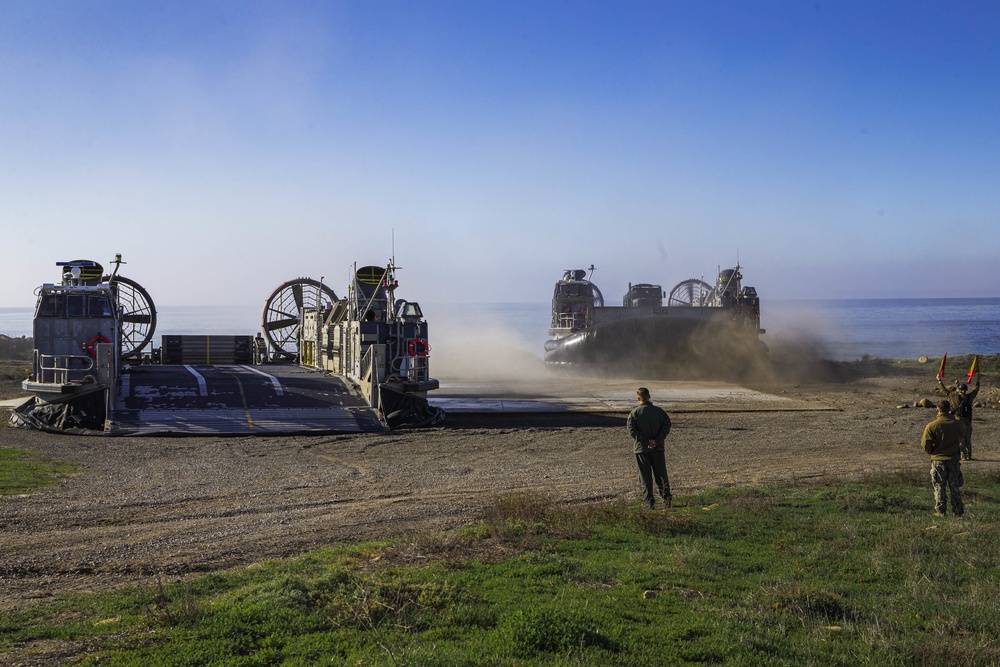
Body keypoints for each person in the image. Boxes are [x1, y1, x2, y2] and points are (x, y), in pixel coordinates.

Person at [626, 387, 673, 509]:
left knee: (645, 476)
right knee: (661, 474)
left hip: (642, 449)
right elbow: (667, 426)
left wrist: (646, 441)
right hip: (657, 448)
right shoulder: (659, 412)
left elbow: (632, 431)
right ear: (649, 396)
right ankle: (667, 499)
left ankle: (649, 501)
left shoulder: (634, 413)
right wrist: (656, 441)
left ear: (638, 398)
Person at [921, 399, 968, 518]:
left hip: (938, 460)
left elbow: (926, 444)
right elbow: (962, 435)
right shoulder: (959, 424)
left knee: (939, 487)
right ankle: (958, 511)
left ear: (937, 410)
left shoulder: (932, 426)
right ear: (949, 409)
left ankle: (940, 511)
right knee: (955, 486)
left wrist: (933, 451)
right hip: (953, 459)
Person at [938, 373, 980, 460]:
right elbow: (976, 389)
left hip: (958, 420)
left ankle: (963, 456)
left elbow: (944, 391)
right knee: (968, 438)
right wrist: (978, 381)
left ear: (958, 390)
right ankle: (969, 455)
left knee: (960, 439)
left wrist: (939, 381)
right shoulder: (969, 397)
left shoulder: (954, 396)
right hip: (968, 421)